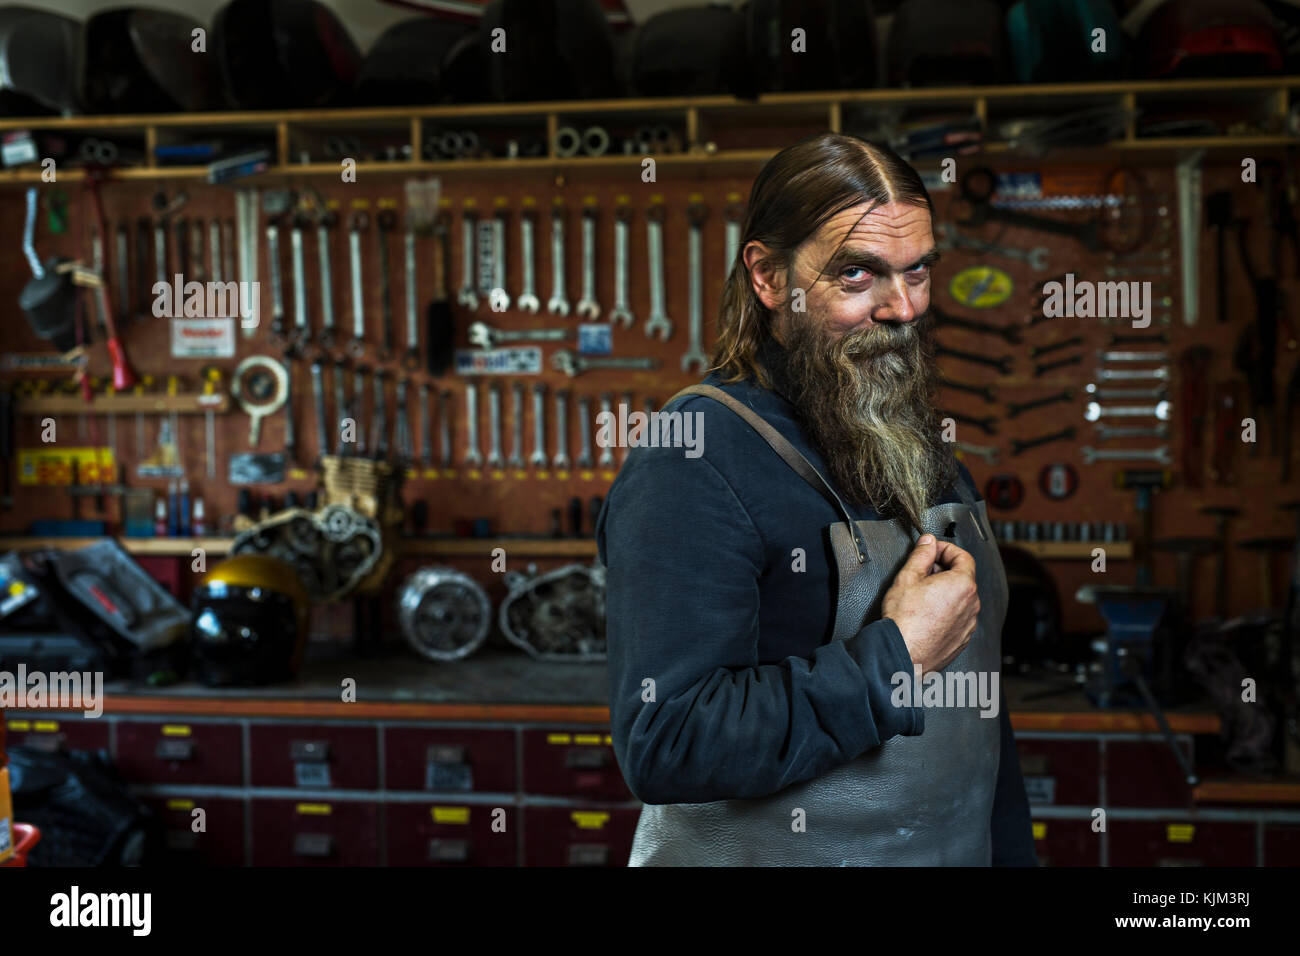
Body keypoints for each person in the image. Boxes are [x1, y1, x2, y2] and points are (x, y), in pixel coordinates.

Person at [595, 132, 1036, 866]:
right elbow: (666, 741)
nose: (902, 308)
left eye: (917, 271)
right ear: (769, 277)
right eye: (858, 275)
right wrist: (893, 659)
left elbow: (980, 739)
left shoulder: (914, 443)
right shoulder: (696, 456)